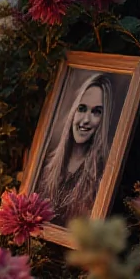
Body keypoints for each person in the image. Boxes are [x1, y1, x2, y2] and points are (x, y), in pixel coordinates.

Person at [38, 72, 113, 225]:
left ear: (103, 120)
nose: (86, 120)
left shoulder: (102, 174)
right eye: (82, 108)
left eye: (96, 112)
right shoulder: (47, 164)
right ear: (74, 111)